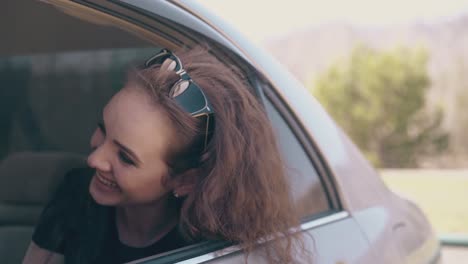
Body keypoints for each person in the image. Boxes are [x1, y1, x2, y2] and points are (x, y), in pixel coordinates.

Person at [22, 46, 303, 264]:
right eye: (102, 129)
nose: (94, 160)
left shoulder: (212, 249)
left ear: (184, 181)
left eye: (126, 158)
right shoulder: (76, 191)